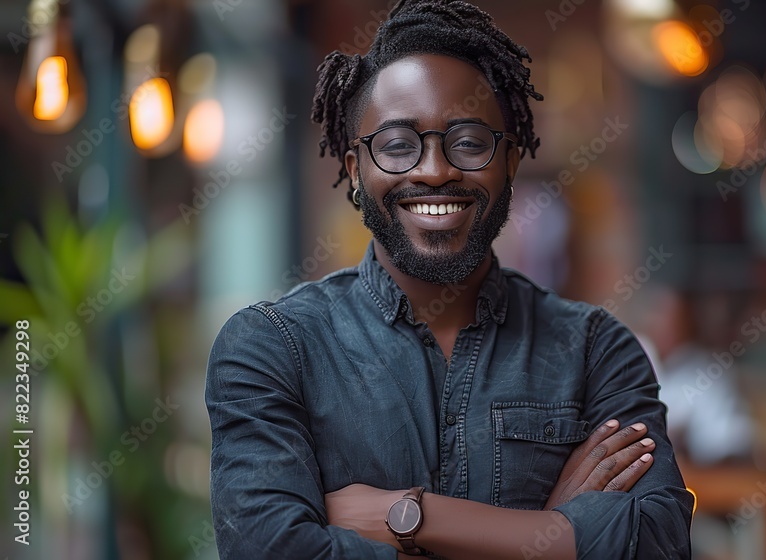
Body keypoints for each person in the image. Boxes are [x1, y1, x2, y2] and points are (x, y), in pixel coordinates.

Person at [204, 1, 693, 558]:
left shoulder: (596, 351)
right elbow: (273, 551)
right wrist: (550, 536)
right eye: (396, 146)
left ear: (510, 162)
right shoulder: (271, 348)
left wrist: (410, 516)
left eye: (468, 141)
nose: (435, 170)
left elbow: (658, 542)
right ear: (355, 173)